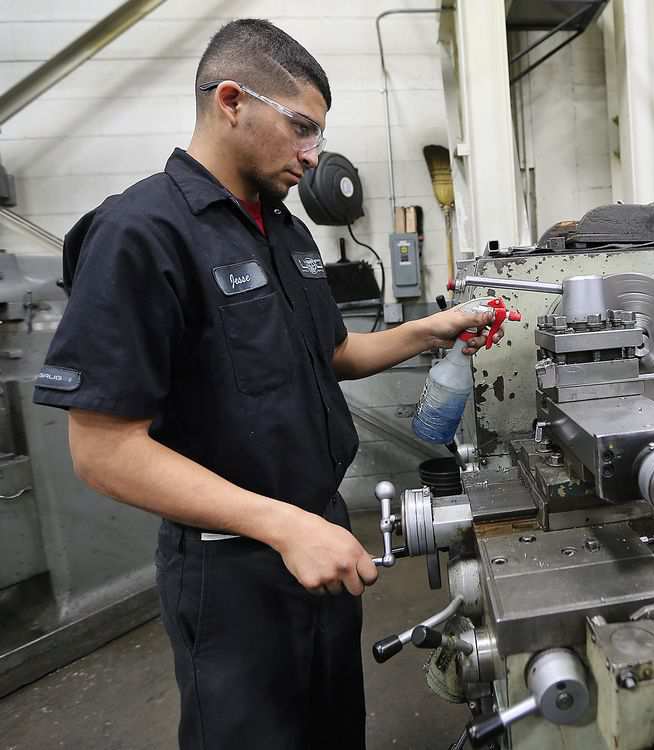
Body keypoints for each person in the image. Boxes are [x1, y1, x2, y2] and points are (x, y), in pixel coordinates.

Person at [32, 18, 499, 750]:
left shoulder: (284, 230)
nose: (314, 156)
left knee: (334, 729)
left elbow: (332, 352)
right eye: (302, 129)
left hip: (318, 538)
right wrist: (282, 526)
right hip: (233, 573)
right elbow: (103, 450)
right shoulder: (140, 232)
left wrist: (432, 329)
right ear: (230, 100)